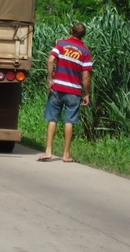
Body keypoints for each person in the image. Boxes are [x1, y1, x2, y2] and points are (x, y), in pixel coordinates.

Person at [38, 22, 93, 163]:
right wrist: (87, 93)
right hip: (73, 91)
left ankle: (48, 151)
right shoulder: (86, 52)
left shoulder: (61, 44)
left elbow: (50, 60)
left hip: (57, 88)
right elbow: (86, 77)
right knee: (69, 121)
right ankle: (66, 154)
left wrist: (50, 79)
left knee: (52, 119)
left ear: (71, 31)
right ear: (83, 35)